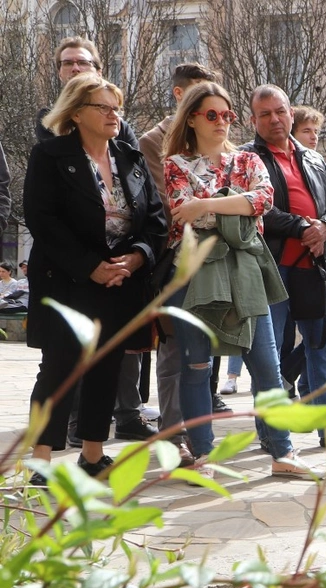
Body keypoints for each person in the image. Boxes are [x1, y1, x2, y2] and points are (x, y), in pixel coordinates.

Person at [162, 81, 310, 480]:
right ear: (192, 119)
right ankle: (204, 455)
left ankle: (282, 451)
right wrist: (233, 206)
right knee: (196, 366)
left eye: (227, 114)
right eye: (212, 114)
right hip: (195, 272)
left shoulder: (247, 159)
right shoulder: (175, 164)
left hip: (245, 271)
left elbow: (262, 200)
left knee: (267, 365)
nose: (222, 122)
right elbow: (183, 213)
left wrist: (206, 204)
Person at [24, 73, 165, 484]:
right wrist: (90, 266)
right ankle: (41, 461)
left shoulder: (130, 157)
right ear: (76, 112)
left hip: (121, 280)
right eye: (103, 107)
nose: (113, 115)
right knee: (60, 367)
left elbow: (155, 220)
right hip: (68, 279)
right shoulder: (50, 155)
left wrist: (136, 259)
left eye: (116, 108)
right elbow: (42, 220)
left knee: (107, 366)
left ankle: (92, 454)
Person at [242, 84, 326, 446]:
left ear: (291, 113)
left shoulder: (313, 158)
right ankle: (272, 435)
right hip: (269, 270)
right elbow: (257, 208)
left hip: (312, 269)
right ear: (253, 120)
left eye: (280, 111)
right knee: (268, 356)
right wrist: (303, 227)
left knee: (323, 347)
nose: (274, 119)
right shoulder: (247, 159)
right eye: (265, 114)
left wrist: (325, 227)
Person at [140, 62, 220, 461]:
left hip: (217, 261)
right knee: (173, 351)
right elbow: (171, 205)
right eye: (202, 100)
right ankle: (172, 435)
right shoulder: (154, 142)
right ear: (180, 95)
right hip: (175, 259)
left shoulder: (220, 144)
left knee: (204, 354)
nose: (213, 114)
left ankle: (198, 433)